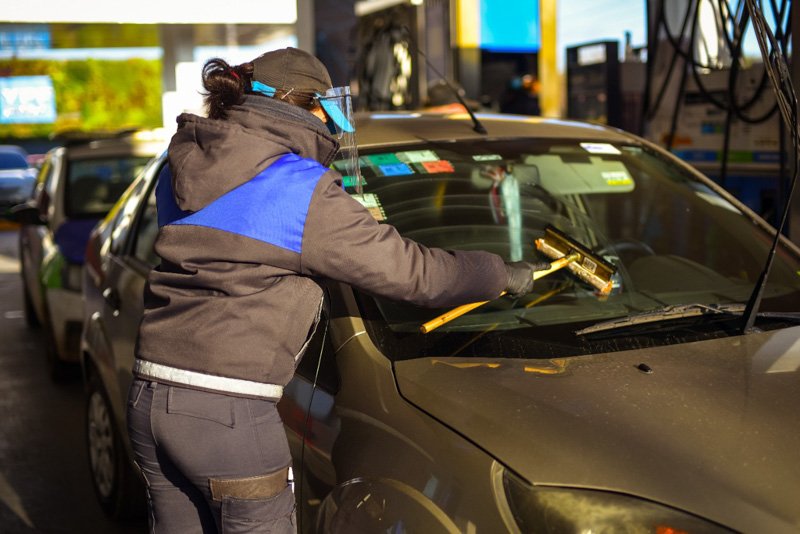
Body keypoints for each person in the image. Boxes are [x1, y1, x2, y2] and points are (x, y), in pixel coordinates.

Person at [127, 47, 545, 533]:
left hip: (149, 397)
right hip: (229, 415)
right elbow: (416, 274)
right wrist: (501, 273)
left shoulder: (184, 162)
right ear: (307, 107)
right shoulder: (297, 189)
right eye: (326, 108)